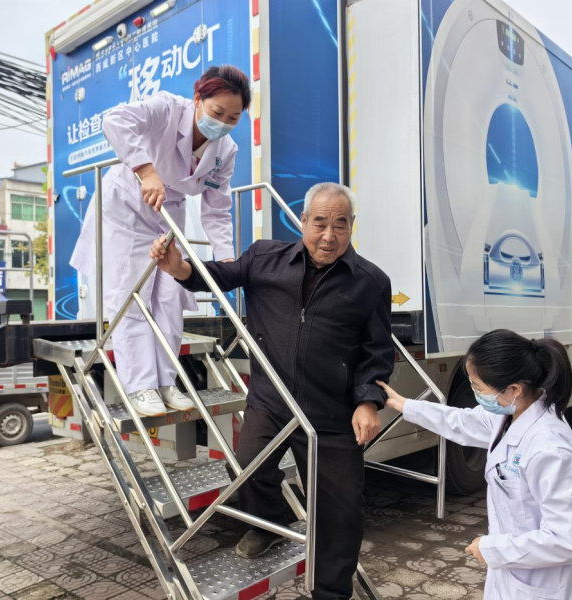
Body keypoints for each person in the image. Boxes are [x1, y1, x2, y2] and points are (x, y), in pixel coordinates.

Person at [151, 182, 394, 600]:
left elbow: (377, 351)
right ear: (303, 221)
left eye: (340, 225)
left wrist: (368, 401)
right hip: (272, 399)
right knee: (246, 468)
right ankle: (272, 522)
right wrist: (181, 268)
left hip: (332, 412)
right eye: (320, 223)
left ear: (352, 226)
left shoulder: (370, 282)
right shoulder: (266, 258)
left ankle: (331, 593)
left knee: (339, 511)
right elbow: (219, 276)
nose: (329, 236)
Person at [71, 65, 251, 418]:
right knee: (132, 296)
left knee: (169, 298)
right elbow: (115, 121)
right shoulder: (167, 108)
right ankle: (140, 386)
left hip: (168, 216)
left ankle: (166, 382)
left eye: (233, 118)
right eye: (217, 112)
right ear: (197, 99)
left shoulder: (226, 151)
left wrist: (227, 260)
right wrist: (146, 170)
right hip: (126, 209)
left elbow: (217, 209)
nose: (223, 123)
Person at [377, 329, 572, 599]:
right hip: (517, 575)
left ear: (514, 389)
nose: (475, 394)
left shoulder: (550, 450)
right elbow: (460, 421)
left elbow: (567, 541)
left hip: (551, 585)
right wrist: (403, 404)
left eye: (479, 388)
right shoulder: (510, 414)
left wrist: (492, 549)